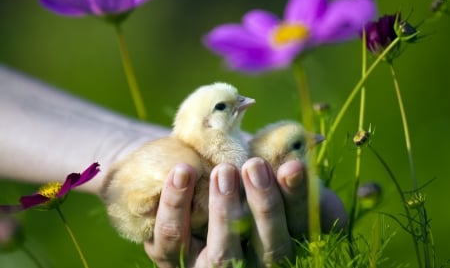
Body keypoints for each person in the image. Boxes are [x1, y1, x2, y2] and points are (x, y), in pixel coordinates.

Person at [0, 65, 347, 267]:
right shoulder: (203, 162)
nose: (241, 103)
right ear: (208, 124)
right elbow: (139, 196)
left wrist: (123, 146)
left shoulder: (213, 152)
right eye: (227, 106)